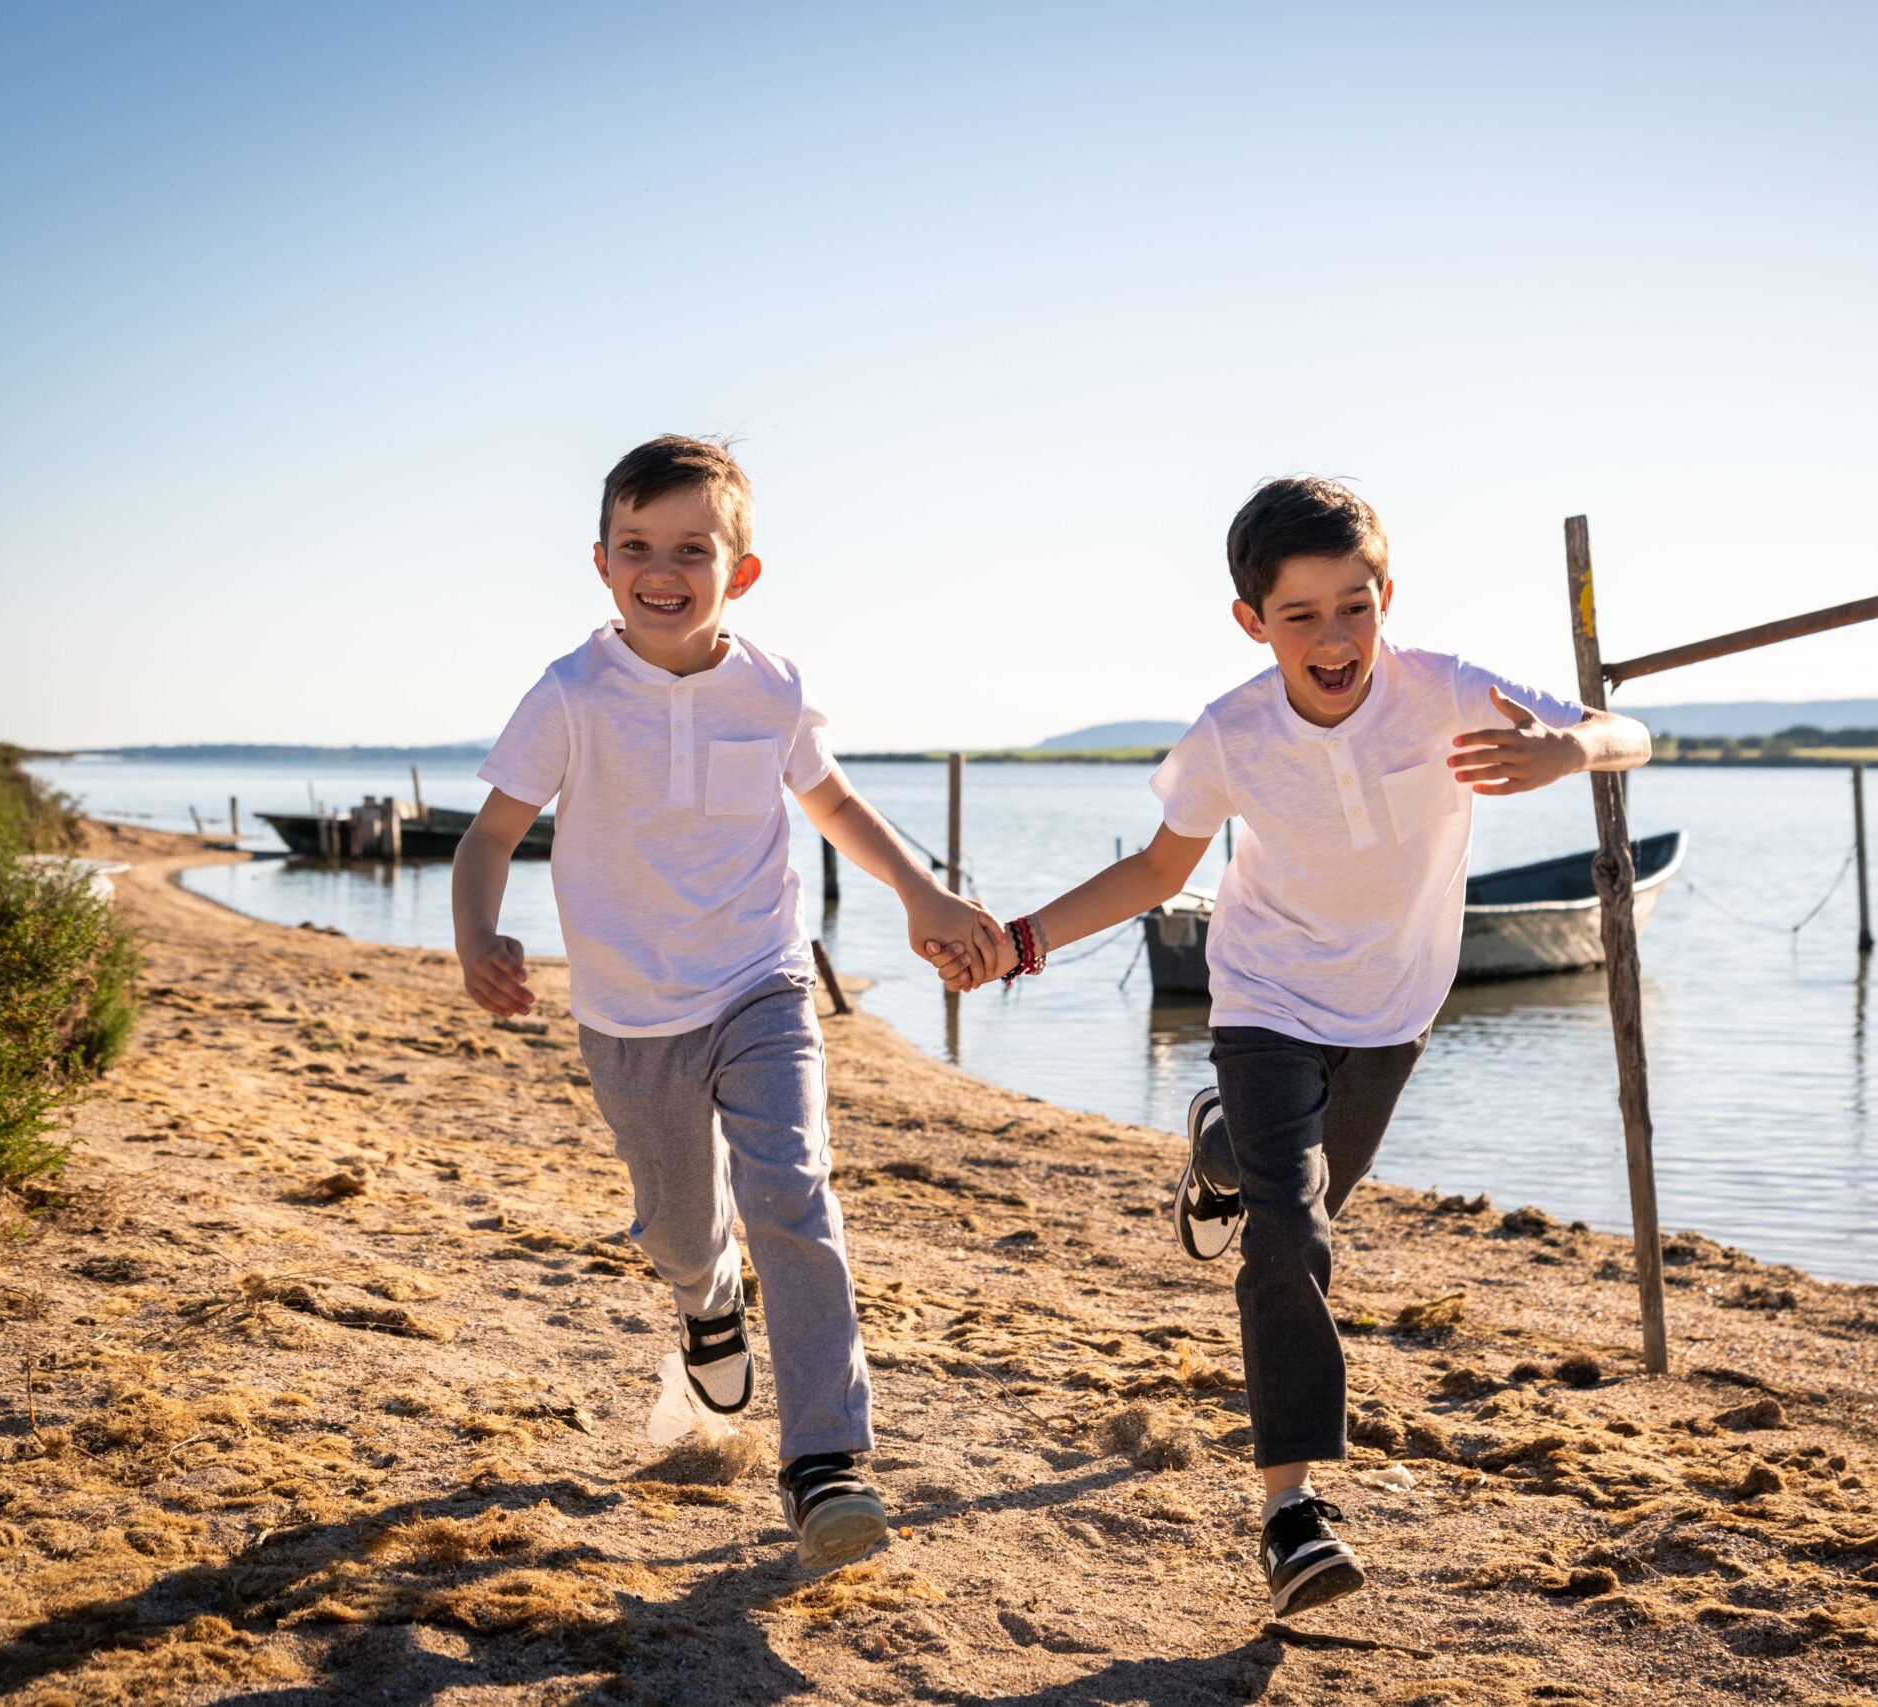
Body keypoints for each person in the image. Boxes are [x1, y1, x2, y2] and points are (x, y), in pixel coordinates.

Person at [963, 476, 1649, 1615]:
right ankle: (1293, 1512)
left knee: (1299, 1195)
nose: (1335, 639)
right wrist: (1024, 941)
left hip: (1392, 1012)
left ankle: (1219, 1147)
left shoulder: (1443, 687)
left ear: (1388, 597)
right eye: (1302, 616)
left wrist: (1569, 756)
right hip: (1264, 995)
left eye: (1355, 607)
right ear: (1252, 622)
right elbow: (1155, 873)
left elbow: (1628, 729)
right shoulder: (1232, 731)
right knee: (1290, 1237)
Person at [452, 434, 1006, 1569]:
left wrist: (922, 892)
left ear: (738, 571)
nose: (665, 570)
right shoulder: (570, 694)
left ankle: (825, 1463)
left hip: (761, 977)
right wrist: (476, 933)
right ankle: (707, 1304)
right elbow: (491, 834)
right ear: (602, 564)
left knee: (793, 1196)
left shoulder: (777, 685)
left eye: (691, 548)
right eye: (638, 547)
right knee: (674, 1224)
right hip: (626, 1009)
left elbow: (835, 805)